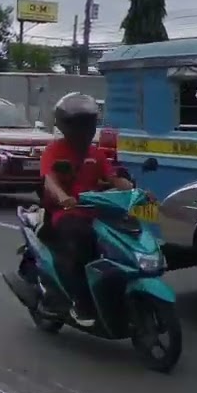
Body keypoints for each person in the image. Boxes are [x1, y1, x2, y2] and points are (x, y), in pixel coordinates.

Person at [40, 92, 135, 326]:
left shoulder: (96, 154)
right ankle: (80, 301)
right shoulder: (55, 151)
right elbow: (48, 180)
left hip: (96, 214)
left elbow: (113, 179)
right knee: (82, 243)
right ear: (66, 125)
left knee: (123, 240)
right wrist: (63, 197)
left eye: (87, 123)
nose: (84, 129)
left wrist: (131, 188)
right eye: (79, 124)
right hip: (66, 214)